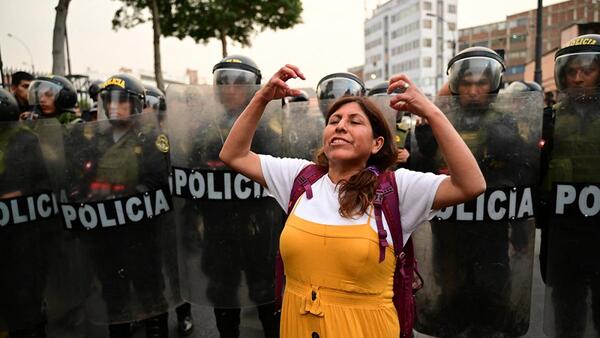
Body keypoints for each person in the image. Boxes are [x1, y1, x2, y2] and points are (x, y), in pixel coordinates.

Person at [219, 64, 485, 337]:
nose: (341, 126)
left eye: (354, 122)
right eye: (334, 121)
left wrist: (432, 112)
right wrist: (261, 98)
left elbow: (471, 184)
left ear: (377, 144)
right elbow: (234, 154)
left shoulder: (398, 189)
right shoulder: (298, 178)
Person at [183, 55, 281, 338]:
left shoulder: (269, 126)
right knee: (223, 298)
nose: (230, 89)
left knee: (266, 296)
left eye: (239, 83)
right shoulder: (203, 130)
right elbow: (191, 178)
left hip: (259, 229)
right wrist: (191, 221)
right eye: (223, 82)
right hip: (218, 228)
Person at [73, 74, 172, 338]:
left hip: (140, 234)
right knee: (114, 296)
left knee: (149, 294)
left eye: (122, 101)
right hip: (105, 234)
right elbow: (82, 177)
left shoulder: (151, 139)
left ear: (136, 105)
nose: (114, 106)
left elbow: (157, 181)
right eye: (109, 100)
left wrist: (126, 200)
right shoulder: (95, 139)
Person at [538, 34, 600, 338]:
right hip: (564, 231)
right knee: (566, 313)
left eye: (587, 70)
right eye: (571, 71)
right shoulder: (549, 119)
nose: (578, 78)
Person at [0, 87, 50, 338]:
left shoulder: (26, 141)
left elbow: (43, 185)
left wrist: (20, 194)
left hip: (24, 236)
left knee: (27, 302)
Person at [367, 81, 411, 167]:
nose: (387, 108)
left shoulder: (406, 131)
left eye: (391, 103)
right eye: (382, 103)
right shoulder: (366, 129)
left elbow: (424, 156)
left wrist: (408, 156)